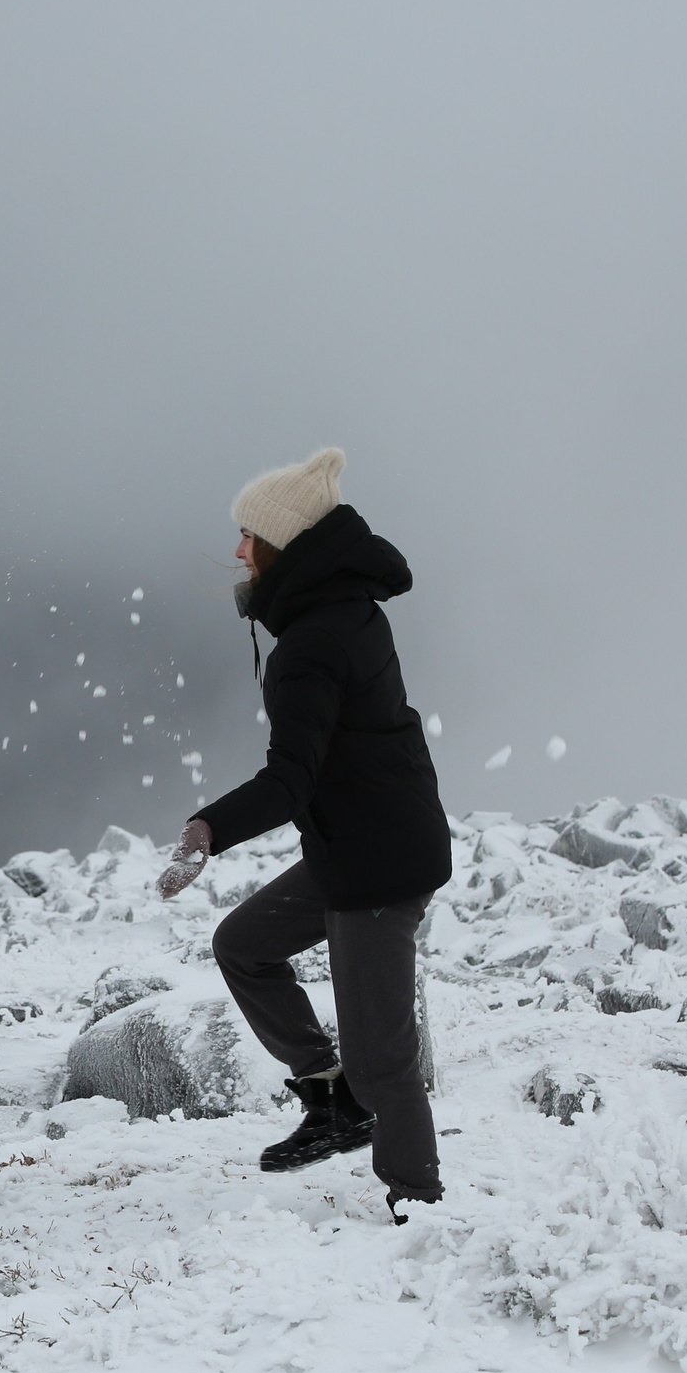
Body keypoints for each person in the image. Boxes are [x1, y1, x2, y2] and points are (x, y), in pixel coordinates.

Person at [155, 447, 453, 1223]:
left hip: (377, 866)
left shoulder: (314, 645)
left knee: (383, 1054)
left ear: (285, 546)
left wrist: (206, 829)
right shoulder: (347, 611)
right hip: (354, 844)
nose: (237, 550)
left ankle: (418, 1200)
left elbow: (289, 781)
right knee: (244, 944)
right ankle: (330, 1095)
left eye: (250, 535)